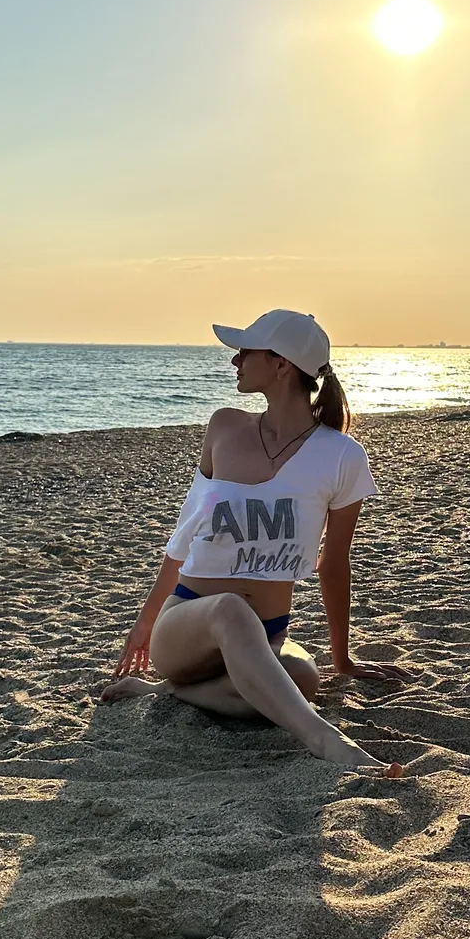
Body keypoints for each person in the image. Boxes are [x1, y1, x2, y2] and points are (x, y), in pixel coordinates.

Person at [102, 309, 404, 772]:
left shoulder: (342, 455)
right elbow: (186, 532)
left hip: (268, 632)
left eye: (247, 350)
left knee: (302, 677)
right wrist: (144, 626)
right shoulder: (224, 427)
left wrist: (342, 659)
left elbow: (334, 563)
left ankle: (167, 693)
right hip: (188, 625)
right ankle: (326, 742)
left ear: (281, 363)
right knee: (229, 608)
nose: (235, 360)